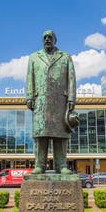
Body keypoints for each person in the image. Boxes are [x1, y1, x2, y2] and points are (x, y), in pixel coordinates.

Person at [26, 30, 77, 174]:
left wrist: (72, 97)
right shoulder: (34, 57)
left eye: (50, 37)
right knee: (41, 134)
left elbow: (71, 79)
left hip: (60, 100)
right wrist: (29, 96)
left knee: (60, 134)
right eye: (45, 37)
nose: (47, 39)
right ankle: (39, 165)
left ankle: (61, 165)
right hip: (40, 100)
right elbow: (30, 77)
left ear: (55, 40)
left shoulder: (65, 57)